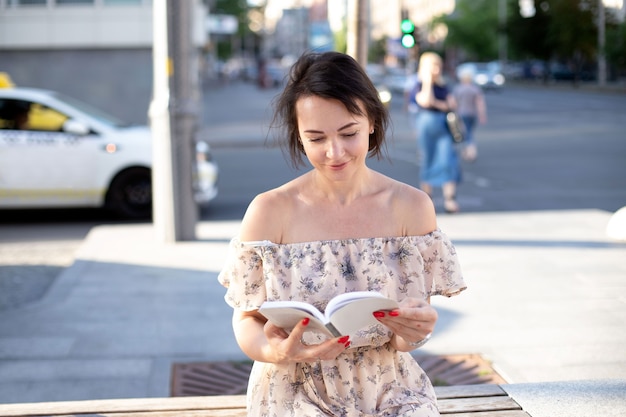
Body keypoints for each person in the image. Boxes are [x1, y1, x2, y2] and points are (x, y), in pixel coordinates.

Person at [218, 51, 466, 417]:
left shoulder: (411, 207)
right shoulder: (269, 211)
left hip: (390, 389)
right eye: (316, 138)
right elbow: (247, 319)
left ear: (371, 122)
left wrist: (417, 329)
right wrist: (275, 352)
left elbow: (404, 335)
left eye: (348, 133)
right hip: (295, 391)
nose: (335, 153)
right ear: (298, 136)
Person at [413, 52, 462, 214]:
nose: (437, 69)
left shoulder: (443, 85)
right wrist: (427, 82)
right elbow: (425, 101)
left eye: (438, 65)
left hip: (443, 126)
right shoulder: (419, 84)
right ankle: (428, 201)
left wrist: (437, 103)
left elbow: (451, 105)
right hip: (426, 126)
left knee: (447, 160)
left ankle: (450, 199)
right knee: (428, 160)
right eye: (434, 65)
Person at [452, 67, 487, 162]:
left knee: (464, 134)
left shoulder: (458, 89)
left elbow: (453, 103)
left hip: (461, 114)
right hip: (472, 114)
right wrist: (482, 115)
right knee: (469, 132)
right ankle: (468, 151)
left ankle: (470, 151)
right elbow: (480, 103)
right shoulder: (475, 89)